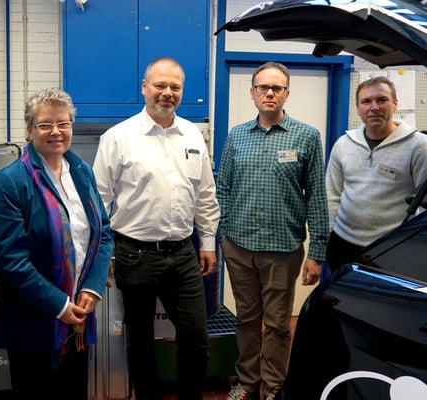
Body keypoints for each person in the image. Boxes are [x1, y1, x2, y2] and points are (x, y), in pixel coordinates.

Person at [93, 57, 220, 400]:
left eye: (175, 87)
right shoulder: (118, 138)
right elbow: (99, 201)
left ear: (182, 91)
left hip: (184, 253)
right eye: (160, 85)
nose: (167, 93)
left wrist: (208, 242)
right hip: (134, 255)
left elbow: (205, 194)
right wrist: (102, 253)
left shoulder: (193, 135)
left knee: (196, 338)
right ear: (144, 87)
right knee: (141, 341)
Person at [0, 88, 113, 400]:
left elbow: (103, 232)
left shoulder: (81, 172)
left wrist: (93, 287)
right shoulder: (12, 181)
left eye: (63, 123)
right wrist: (59, 305)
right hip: (33, 321)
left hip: (78, 319)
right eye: (45, 125)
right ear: (29, 130)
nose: (56, 131)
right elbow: (11, 260)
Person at [216, 61, 329, 400]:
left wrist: (317, 252)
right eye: (263, 87)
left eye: (276, 88)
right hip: (239, 247)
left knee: (278, 324)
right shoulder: (236, 136)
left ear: (286, 94)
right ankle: (247, 381)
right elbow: (223, 189)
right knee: (246, 319)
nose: (269, 93)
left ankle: (272, 386)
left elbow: (317, 197)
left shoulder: (307, 136)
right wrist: (222, 235)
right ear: (252, 93)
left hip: (283, 250)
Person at [325, 76, 427, 271]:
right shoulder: (343, 144)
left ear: (395, 103)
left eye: (382, 100)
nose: (374, 107)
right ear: (358, 107)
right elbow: (332, 195)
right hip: (342, 244)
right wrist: (329, 234)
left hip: (391, 248)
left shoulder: (419, 146)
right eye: (366, 101)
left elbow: (425, 207)